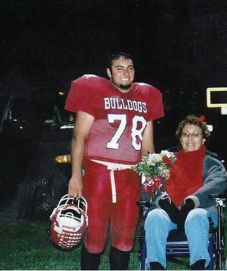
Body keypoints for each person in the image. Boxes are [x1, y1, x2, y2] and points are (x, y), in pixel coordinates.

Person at [64, 52, 164, 270]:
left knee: (125, 239)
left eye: (130, 67)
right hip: (98, 173)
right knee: (95, 237)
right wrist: (75, 176)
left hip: (130, 175)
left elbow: (147, 145)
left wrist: (153, 175)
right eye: (119, 68)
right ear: (109, 72)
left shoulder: (145, 95)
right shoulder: (95, 90)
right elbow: (78, 136)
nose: (125, 72)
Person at [144, 115, 227, 270]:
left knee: (195, 216)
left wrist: (192, 201)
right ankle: (156, 266)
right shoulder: (166, 161)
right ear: (180, 138)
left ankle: (198, 265)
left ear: (203, 139)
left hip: (200, 211)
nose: (190, 138)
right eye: (185, 134)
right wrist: (162, 200)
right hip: (168, 211)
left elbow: (218, 183)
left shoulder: (212, 163)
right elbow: (150, 185)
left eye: (195, 134)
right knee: (155, 216)